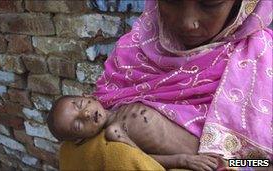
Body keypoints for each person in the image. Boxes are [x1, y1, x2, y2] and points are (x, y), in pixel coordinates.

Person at [56, 0, 272, 170]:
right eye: (171, 1)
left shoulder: (263, 58)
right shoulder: (130, 50)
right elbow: (80, 149)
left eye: (210, 3)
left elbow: (260, 163)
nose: (188, 22)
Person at [48, 95, 220, 170]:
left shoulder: (118, 101)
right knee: (240, 164)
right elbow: (143, 159)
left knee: (242, 158)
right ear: (79, 140)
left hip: (206, 133)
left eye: (80, 104)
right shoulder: (113, 132)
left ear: (89, 96)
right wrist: (185, 161)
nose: (85, 114)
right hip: (202, 155)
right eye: (77, 124)